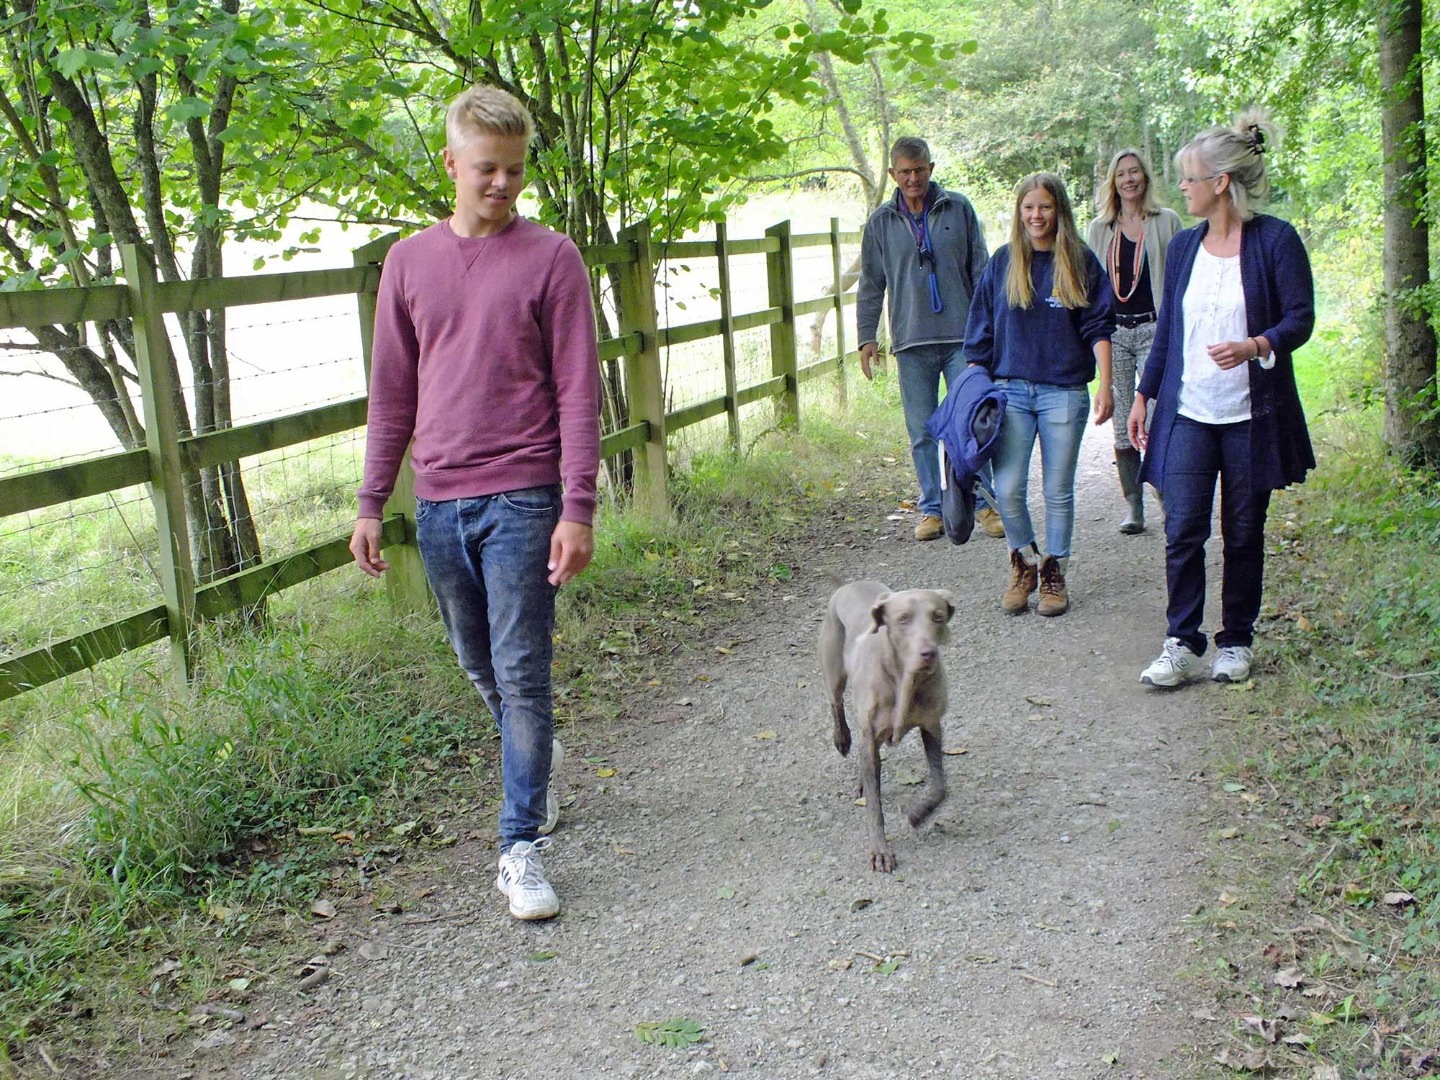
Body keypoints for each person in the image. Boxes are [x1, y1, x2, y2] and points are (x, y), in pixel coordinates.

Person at [349, 85, 601, 920]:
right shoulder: (409, 263)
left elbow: (577, 392)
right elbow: (391, 394)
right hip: (440, 503)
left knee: (524, 669)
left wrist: (578, 507)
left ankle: (520, 844)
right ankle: (535, 756)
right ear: (452, 165)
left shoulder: (552, 257)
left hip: (526, 497)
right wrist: (369, 501)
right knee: (477, 662)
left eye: (516, 171)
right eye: (487, 169)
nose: (502, 185)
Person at [1130, 112, 1314, 688]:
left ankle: (1236, 640)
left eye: (1189, 179)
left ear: (1220, 183)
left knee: (1242, 530)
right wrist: (1143, 395)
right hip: (1189, 411)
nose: (1181, 188)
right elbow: (1169, 333)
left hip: (1250, 417)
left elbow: (1300, 319)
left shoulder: (1276, 240)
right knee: (1182, 527)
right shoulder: (1184, 247)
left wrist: (1257, 344)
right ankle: (1181, 641)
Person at [964, 173, 1114, 617]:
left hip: (1064, 391)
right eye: (1028, 208)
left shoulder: (1080, 261)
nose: (1036, 216)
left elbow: (1098, 326)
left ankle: (1054, 572)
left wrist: (1106, 384)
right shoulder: (1003, 262)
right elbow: (980, 335)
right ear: (1019, 212)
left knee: (1057, 489)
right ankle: (1024, 561)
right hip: (1010, 392)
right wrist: (974, 391)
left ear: (1059, 211)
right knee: (1007, 488)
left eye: (1045, 207)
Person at [856, 136, 1001, 542]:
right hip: (911, 339)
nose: (913, 178)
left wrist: (988, 329)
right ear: (893, 175)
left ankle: (984, 503)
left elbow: (981, 270)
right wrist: (867, 336)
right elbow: (871, 283)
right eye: (905, 172)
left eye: (919, 170)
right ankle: (932, 508)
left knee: (971, 421)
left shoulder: (958, 207)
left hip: (961, 338)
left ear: (931, 169)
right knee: (921, 429)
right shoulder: (881, 222)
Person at [1086, 149, 1183, 534]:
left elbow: (1179, 279)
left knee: (1158, 417)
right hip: (1116, 333)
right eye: (1121, 174)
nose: (1129, 179)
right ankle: (1133, 506)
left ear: (1145, 177)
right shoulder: (1100, 228)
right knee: (1122, 419)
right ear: (1113, 181)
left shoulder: (1167, 221)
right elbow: (1092, 286)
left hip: (1155, 330)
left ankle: (1169, 502)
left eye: (1135, 172)